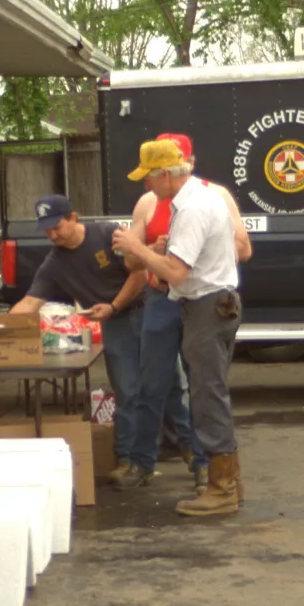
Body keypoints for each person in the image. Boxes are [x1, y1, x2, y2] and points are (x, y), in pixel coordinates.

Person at [113, 140, 244, 516]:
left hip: (206, 306)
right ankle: (228, 481)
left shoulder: (191, 208)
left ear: (166, 175)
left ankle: (222, 488)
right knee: (208, 393)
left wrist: (136, 248)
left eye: (149, 179)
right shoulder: (201, 198)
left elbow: (174, 272)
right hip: (207, 304)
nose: (146, 187)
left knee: (207, 396)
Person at [8, 195, 147, 487]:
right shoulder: (54, 262)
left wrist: (115, 306)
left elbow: (140, 274)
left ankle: (195, 458)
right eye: (46, 230)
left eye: (57, 226)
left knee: (174, 386)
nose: (52, 235)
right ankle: (128, 460)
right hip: (115, 323)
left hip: (147, 311)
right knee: (127, 391)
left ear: (73, 217)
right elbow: (32, 300)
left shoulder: (107, 235)